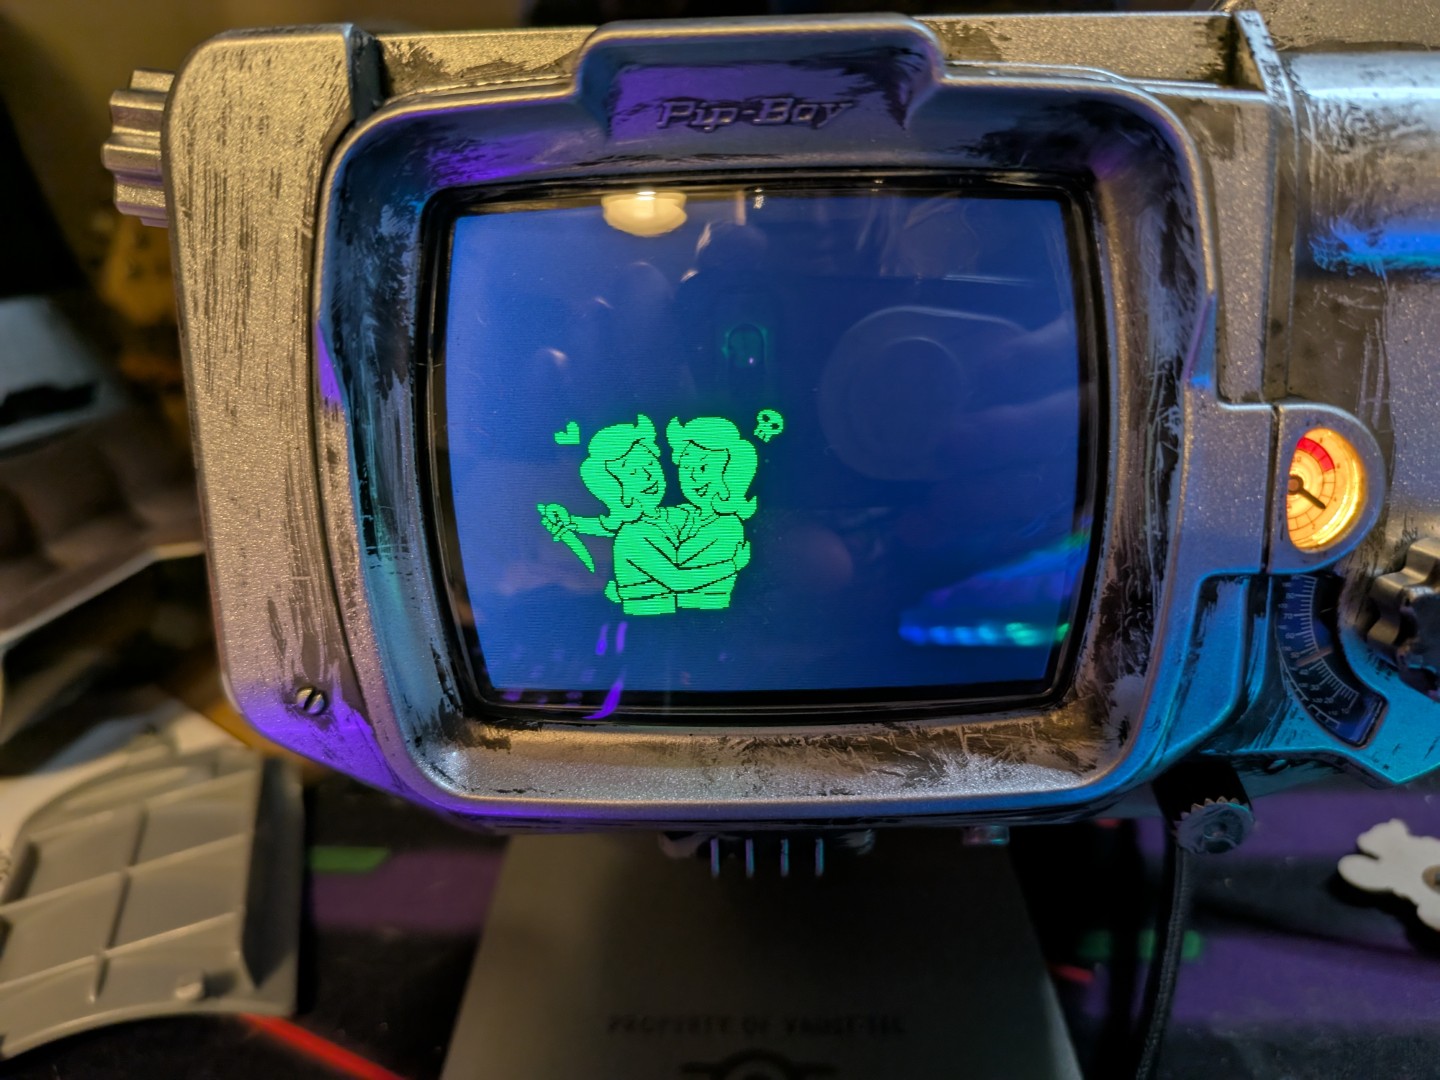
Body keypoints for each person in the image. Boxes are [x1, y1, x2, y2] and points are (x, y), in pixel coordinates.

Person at [539, 414, 749, 614]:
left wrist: (573, 522)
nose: (649, 475)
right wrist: (733, 565)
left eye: (650, 463)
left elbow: (609, 525)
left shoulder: (682, 516)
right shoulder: (633, 534)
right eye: (633, 471)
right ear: (616, 488)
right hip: (653, 628)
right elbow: (676, 580)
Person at [664, 415, 759, 611]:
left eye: (703, 467)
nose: (692, 476)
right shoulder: (687, 515)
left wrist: (733, 566)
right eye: (686, 466)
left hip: (707, 612)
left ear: (730, 472)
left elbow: (681, 580)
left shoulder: (727, 525)